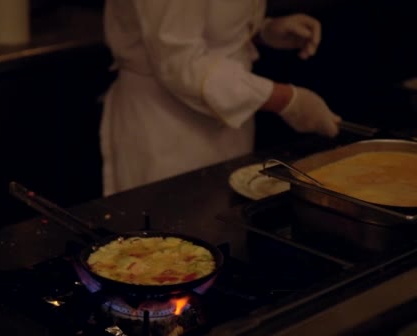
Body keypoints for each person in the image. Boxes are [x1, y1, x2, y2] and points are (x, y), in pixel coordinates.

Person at [100, 0, 342, 196]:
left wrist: (261, 30)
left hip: (229, 119)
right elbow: (179, 61)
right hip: (165, 129)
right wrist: (286, 100)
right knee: (168, 246)